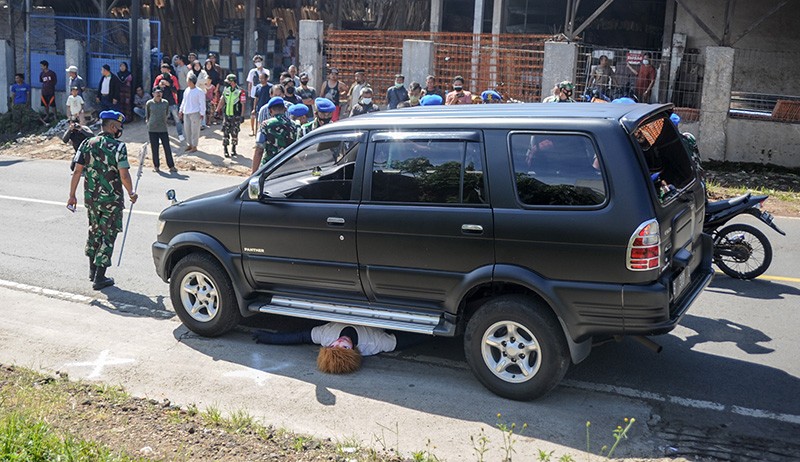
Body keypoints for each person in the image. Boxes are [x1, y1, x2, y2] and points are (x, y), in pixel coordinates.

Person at [67, 110, 138, 291]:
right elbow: (124, 174)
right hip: (111, 200)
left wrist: (72, 195)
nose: (120, 130)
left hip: (91, 199)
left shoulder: (86, 143)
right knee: (108, 234)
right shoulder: (118, 147)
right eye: (119, 127)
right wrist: (131, 192)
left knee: (94, 231)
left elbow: (77, 170)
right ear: (113, 127)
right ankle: (100, 277)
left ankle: (92, 270)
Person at [252, 322, 423, 374]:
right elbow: (404, 340)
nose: (339, 341)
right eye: (344, 347)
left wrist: (268, 337)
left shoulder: (326, 336)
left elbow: (299, 336)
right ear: (354, 351)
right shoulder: (375, 342)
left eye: (334, 346)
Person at [251, 96, 297, 173]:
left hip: (269, 167)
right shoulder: (294, 125)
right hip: (288, 168)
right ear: (285, 109)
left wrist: (253, 173)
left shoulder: (265, 125)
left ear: (270, 111)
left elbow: (259, 150)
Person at [145, 88, 176, 173]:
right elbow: (147, 115)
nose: (159, 94)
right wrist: (148, 123)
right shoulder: (149, 103)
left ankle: (171, 166)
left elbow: (167, 113)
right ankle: (156, 166)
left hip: (163, 128)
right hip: (152, 129)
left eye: (160, 92)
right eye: (157, 93)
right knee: (154, 148)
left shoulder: (165, 103)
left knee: (167, 147)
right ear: (153, 94)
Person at [216, 74, 246, 158]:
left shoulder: (240, 91)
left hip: (235, 115)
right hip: (227, 115)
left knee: (234, 133)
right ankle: (225, 150)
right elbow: (222, 100)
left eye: (229, 81)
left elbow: (243, 104)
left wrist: (242, 116)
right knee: (225, 133)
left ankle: (233, 149)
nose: (227, 83)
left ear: (233, 81)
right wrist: (217, 110)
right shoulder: (226, 90)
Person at [153, 64, 185, 142]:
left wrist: (169, 84)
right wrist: (159, 87)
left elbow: (176, 89)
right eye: (162, 70)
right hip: (161, 102)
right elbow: (154, 89)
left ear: (169, 70)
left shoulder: (173, 78)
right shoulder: (159, 78)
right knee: (162, 120)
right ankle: (162, 136)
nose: (163, 72)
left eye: (165, 70)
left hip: (172, 101)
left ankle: (180, 134)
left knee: (177, 119)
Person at [180, 74, 205, 153]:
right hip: (186, 112)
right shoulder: (186, 90)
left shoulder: (199, 91)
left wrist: (202, 113)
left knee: (195, 130)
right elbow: (184, 101)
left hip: (195, 113)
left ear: (191, 81)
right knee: (187, 129)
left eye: (188, 80)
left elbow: (202, 103)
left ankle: (194, 146)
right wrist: (181, 110)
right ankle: (189, 144)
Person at [247, 54, 269, 136]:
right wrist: (249, 93)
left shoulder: (266, 71)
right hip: (254, 94)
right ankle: (252, 129)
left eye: (259, 61)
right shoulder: (252, 71)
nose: (258, 63)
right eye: (256, 62)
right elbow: (250, 83)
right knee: (253, 112)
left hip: (263, 93)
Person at [187, 60, 209, 129]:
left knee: (202, 107)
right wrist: (199, 82)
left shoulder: (203, 72)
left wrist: (197, 81)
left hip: (202, 91)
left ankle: (203, 123)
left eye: (198, 65)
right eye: (195, 66)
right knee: (193, 107)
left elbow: (206, 80)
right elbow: (188, 81)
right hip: (192, 92)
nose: (197, 67)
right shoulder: (190, 73)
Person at [203, 59, 221, 124]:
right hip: (204, 91)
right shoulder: (203, 72)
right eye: (207, 64)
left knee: (213, 106)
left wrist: (216, 89)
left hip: (213, 90)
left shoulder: (215, 72)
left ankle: (213, 119)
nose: (208, 66)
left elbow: (218, 81)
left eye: (210, 64)